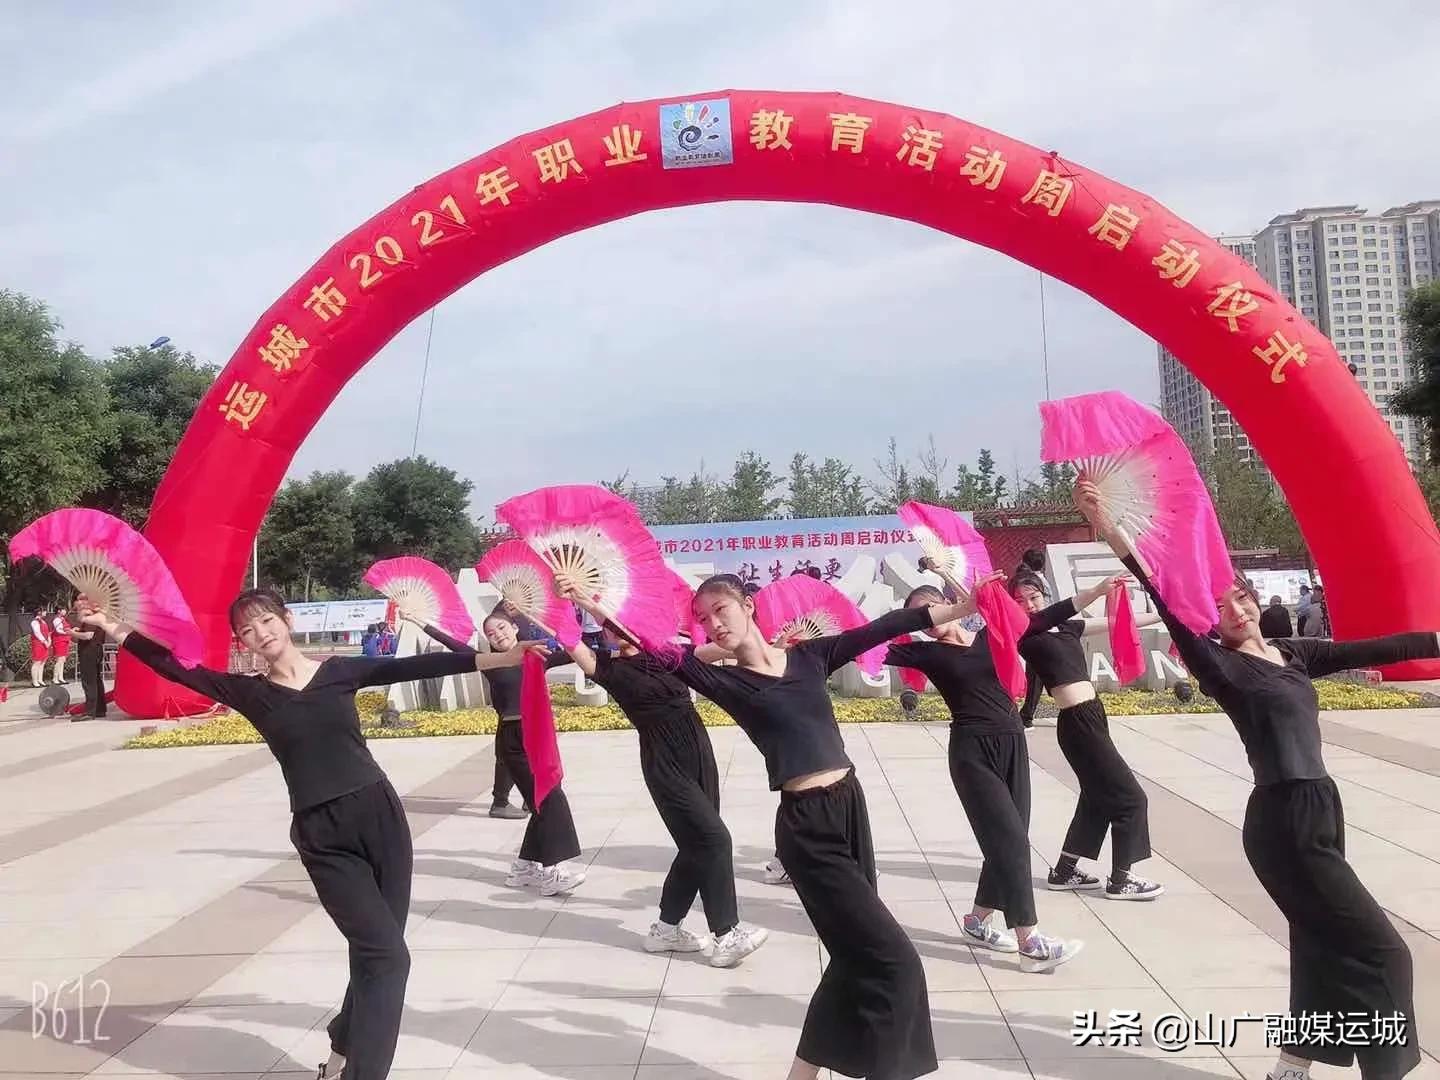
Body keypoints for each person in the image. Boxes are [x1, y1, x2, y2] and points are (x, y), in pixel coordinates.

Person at [81, 587, 541, 1080]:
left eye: (265, 621)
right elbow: (174, 667)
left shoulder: (339, 672)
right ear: (244, 642)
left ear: (287, 620)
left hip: (380, 819)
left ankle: (344, 1041)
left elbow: (410, 669)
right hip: (323, 838)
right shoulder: (251, 692)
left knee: (376, 952)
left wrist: (506, 657)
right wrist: (112, 627)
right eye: (247, 630)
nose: (259, 633)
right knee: (389, 958)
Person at [1075, 479, 1436, 1080]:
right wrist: (1112, 531)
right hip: (1281, 819)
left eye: (1240, 598)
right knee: (1382, 950)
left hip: (1321, 808)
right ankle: (1386, 1070)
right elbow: (1164, 599)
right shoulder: (1220, 665)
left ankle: (1292, 1064)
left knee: (1319, 940)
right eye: (1222, 607)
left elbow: (1379, 646)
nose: (1237, 611)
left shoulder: (1295, 656)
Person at [639, 573, 943, 1080]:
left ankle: (800, 1075)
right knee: (897, 962)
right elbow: (660, 653)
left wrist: (965, 606)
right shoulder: (727, 680)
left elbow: (886, 625)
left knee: (851, 955)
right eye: (703, 619)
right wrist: (591, 602)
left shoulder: (810, 656)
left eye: (721, 610)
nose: (713, 623)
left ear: (749, 605)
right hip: (806, 829)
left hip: (850, 807)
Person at [557, 574, 768, 967]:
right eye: (608, 626)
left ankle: (666, 929)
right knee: (715, 839)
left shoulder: (667, 654)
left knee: (696, 844)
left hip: (698, 750)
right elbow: (569, 639)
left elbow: (722, 651)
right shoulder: (605, 668)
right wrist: (561, 603)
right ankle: (727, 932)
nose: (617, 631)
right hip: (663, 760)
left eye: (624, 622)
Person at [887, 563, 1085, 973]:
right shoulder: (925, 651)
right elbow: (868, 643)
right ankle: (1029, 939)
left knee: (1009, 839)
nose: (928, 620)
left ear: (949, 605)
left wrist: (955, 578)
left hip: (1012, 743)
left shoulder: (988, 635)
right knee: (1011, 842)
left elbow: (1014, 615)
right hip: (972, 752)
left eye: (931, 608)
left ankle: (977, 920)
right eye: (919, 616)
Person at [405, 607, 586, 898]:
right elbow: (456, 647)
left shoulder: (538, 657)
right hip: (513, 740)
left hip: (538, 735)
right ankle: (552, 871)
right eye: (490, 633)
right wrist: (418, 620)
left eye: (502, 628)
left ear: (516, 628)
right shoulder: (491, 662)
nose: (497, 635)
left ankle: (524, 867)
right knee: (550, 800)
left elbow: (578, 650)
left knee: (544, 803)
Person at [1011, 571, 1164, 900]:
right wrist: (1096, 590)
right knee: (1131, 799)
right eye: (1020, 601)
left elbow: (1118, 622)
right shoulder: (1025, 631)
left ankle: (1065, 871)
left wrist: (1167, 610)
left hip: (1092, 717)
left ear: (1045, 595)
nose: (1028, 605)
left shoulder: (1066, 627)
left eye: (1034, 597)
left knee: (1096, 800)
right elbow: (1062, 609)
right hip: (1077, 723)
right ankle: (1122, 879)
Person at [71, 596, 107, 719]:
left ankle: (90, 711)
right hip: (95, 649)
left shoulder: (92, 617)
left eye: (82, 599)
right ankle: (100, 709)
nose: (79, 602)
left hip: (89, 650)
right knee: (96, 680)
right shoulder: (99, 615)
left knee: (89, 681)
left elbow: (88, 635)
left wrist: (72, 633)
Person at [49, 606, 73, 685]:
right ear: (59, 611)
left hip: (65, 640)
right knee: (59, 660)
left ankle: (61, 677)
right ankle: (55, 678)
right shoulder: (57, 619)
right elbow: (58, 630)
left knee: (62, 660)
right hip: (59, 641)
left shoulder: (63, 619)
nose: (65, 611)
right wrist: (67, 632)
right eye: (63, 610)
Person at [29, 606, 51, 688]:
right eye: (44, 611)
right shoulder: (34, 622)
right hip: (38, 643)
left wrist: (49, 641)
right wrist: (45, 641)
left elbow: (47, 632)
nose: (46, 613)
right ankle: (35, 681)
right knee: (37, 662)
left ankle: (40, 680)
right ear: (39, 612)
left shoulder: (44, 622)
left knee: (43, 662)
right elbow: (37, 633)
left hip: (45, 643)